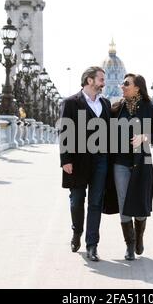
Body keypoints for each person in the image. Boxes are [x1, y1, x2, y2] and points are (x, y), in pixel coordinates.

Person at [59, 66, 111, 262]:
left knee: (96, 202)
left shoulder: (105, 103)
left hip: (100, 161)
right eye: (100, 79)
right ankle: (77, 231)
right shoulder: (71, 103)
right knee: (76, 201)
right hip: (78, 161)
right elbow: (64, 132)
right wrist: (65, 160)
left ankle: (92, 245)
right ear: (89, 80)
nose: (103, 82)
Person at [109, 73, 153, 260]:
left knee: (139, 203)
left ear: (137, 87)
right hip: (120, 163)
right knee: (124, 203)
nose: (122, 86)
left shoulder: (150, 108)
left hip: (142, 163)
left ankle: (139, 236)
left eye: (126, 84)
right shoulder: (117, 108)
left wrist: (144, 137)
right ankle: (129, 245)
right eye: (123, 83)